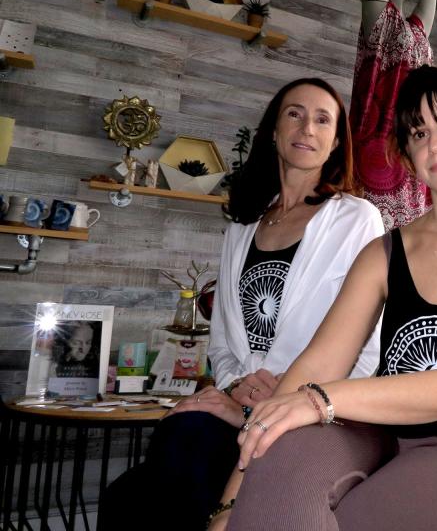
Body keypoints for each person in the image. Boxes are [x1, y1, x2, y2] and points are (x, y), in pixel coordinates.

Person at [209, 65, 437, 531]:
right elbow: (317, 365)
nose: (435, 142)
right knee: (286, 450)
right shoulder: (384, 252)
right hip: (384, 436)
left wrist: (318, 400)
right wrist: (227, 507)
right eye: (418, 132)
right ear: (407, 153)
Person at [98, 78, 384, 531]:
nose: (307, 127)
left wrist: (274, 399)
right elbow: (222, 341)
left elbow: (369, 340)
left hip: (310, 411)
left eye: (322, 119)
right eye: (294, 113)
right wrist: (238, 387)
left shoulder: (356, 219)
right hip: (245, 401)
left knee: (182, 448)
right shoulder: (243, 224)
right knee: (148, 468)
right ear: (273, 129)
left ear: (335, 142)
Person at [350, 0, 437, 229]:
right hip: (375, 153)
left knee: (406, 256)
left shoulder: (418, 33)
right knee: (367, 249)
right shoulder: (377, 20)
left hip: (412, 157)